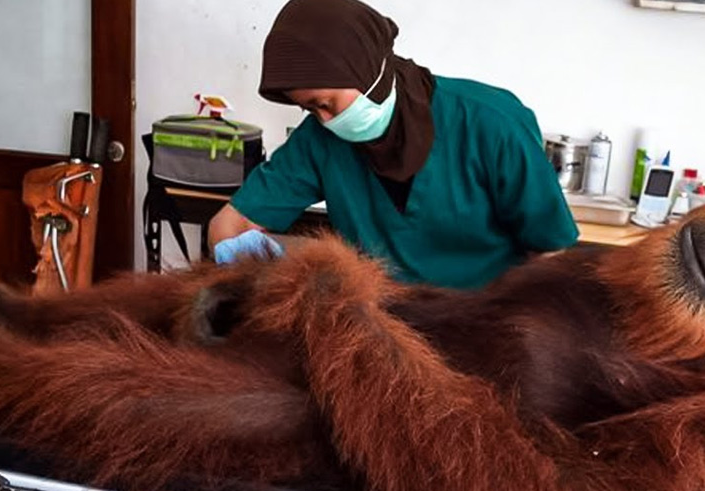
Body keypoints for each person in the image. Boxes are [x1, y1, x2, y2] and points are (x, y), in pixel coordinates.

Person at [209, 0, 578, 289]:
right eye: (308, 108)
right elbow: (230, 223)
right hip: (381, 327)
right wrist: (238, 258)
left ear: (366, 71)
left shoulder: (491, 123)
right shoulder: (318, 141)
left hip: (482, 326)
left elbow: (550, 250)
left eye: (325, 103)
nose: (323, 119)